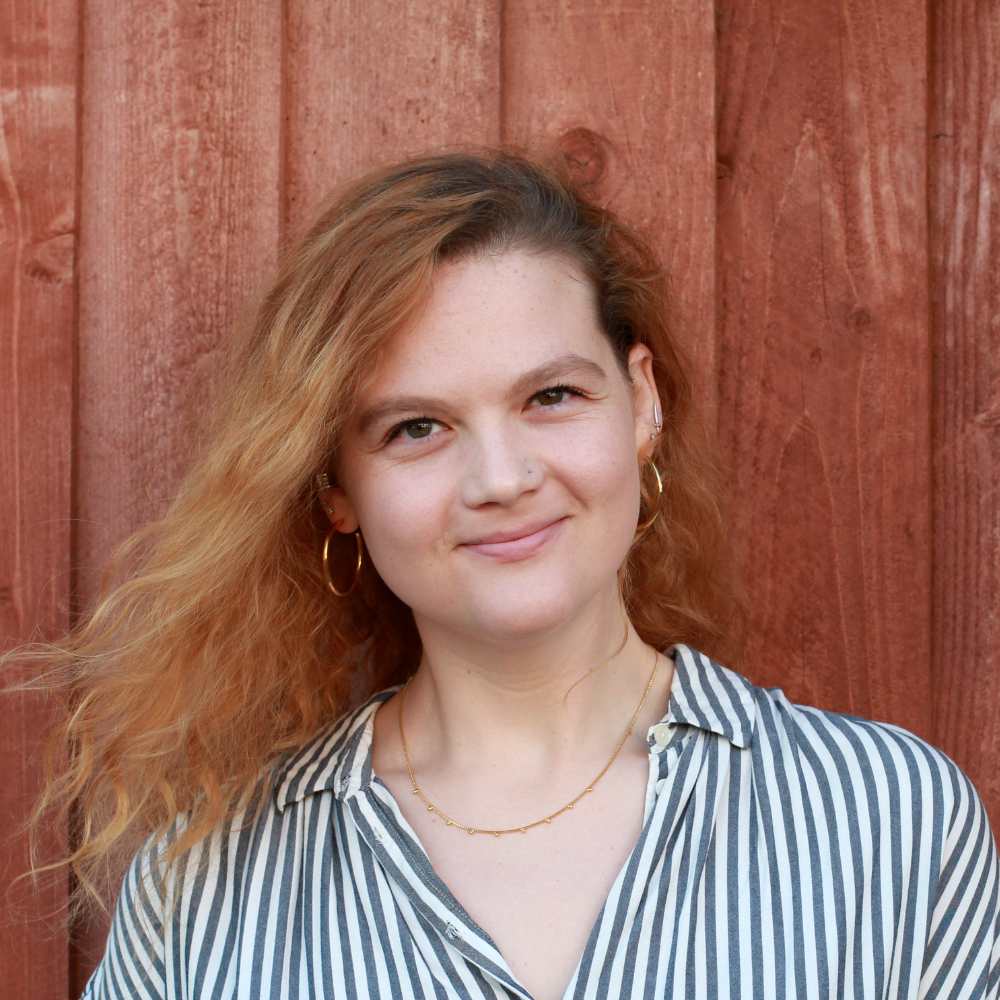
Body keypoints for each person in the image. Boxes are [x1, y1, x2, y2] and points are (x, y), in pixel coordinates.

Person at [5, 146, 999, 999]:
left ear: (641, 402)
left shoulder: (887, 817)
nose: (501, 478)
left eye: (551, 396)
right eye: (417, 427)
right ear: (335, 487)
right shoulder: (204, 884)